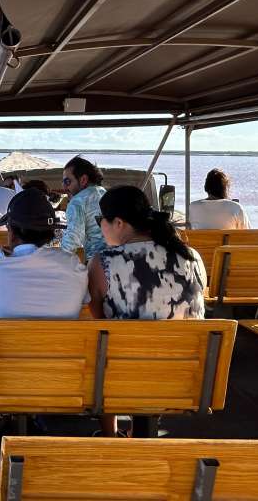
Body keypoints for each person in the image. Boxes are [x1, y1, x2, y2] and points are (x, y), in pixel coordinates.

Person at [86, 185, 207, 436]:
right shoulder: (192, 256)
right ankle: (135, 433)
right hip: (190, 375)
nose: (100, 227)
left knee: (99, 347)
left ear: (118, 222)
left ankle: (111, 435)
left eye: (101, 220)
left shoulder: (103, 262)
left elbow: (97, 320)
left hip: (128, 378)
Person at [0, 189, 89, 380]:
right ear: (52, 233)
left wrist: (3, 256)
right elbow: (85, 298)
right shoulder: (72, 264)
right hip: (66, 378)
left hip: (6, 380)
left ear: (11, 232)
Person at [61, 156, 107, 261]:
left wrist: (56, 257)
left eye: (67, 182)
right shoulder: (104, 192)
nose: (64, 187)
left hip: (97, 262)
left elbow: (73, 240)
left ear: (83, 180)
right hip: (116, 258)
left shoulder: (77, 202)